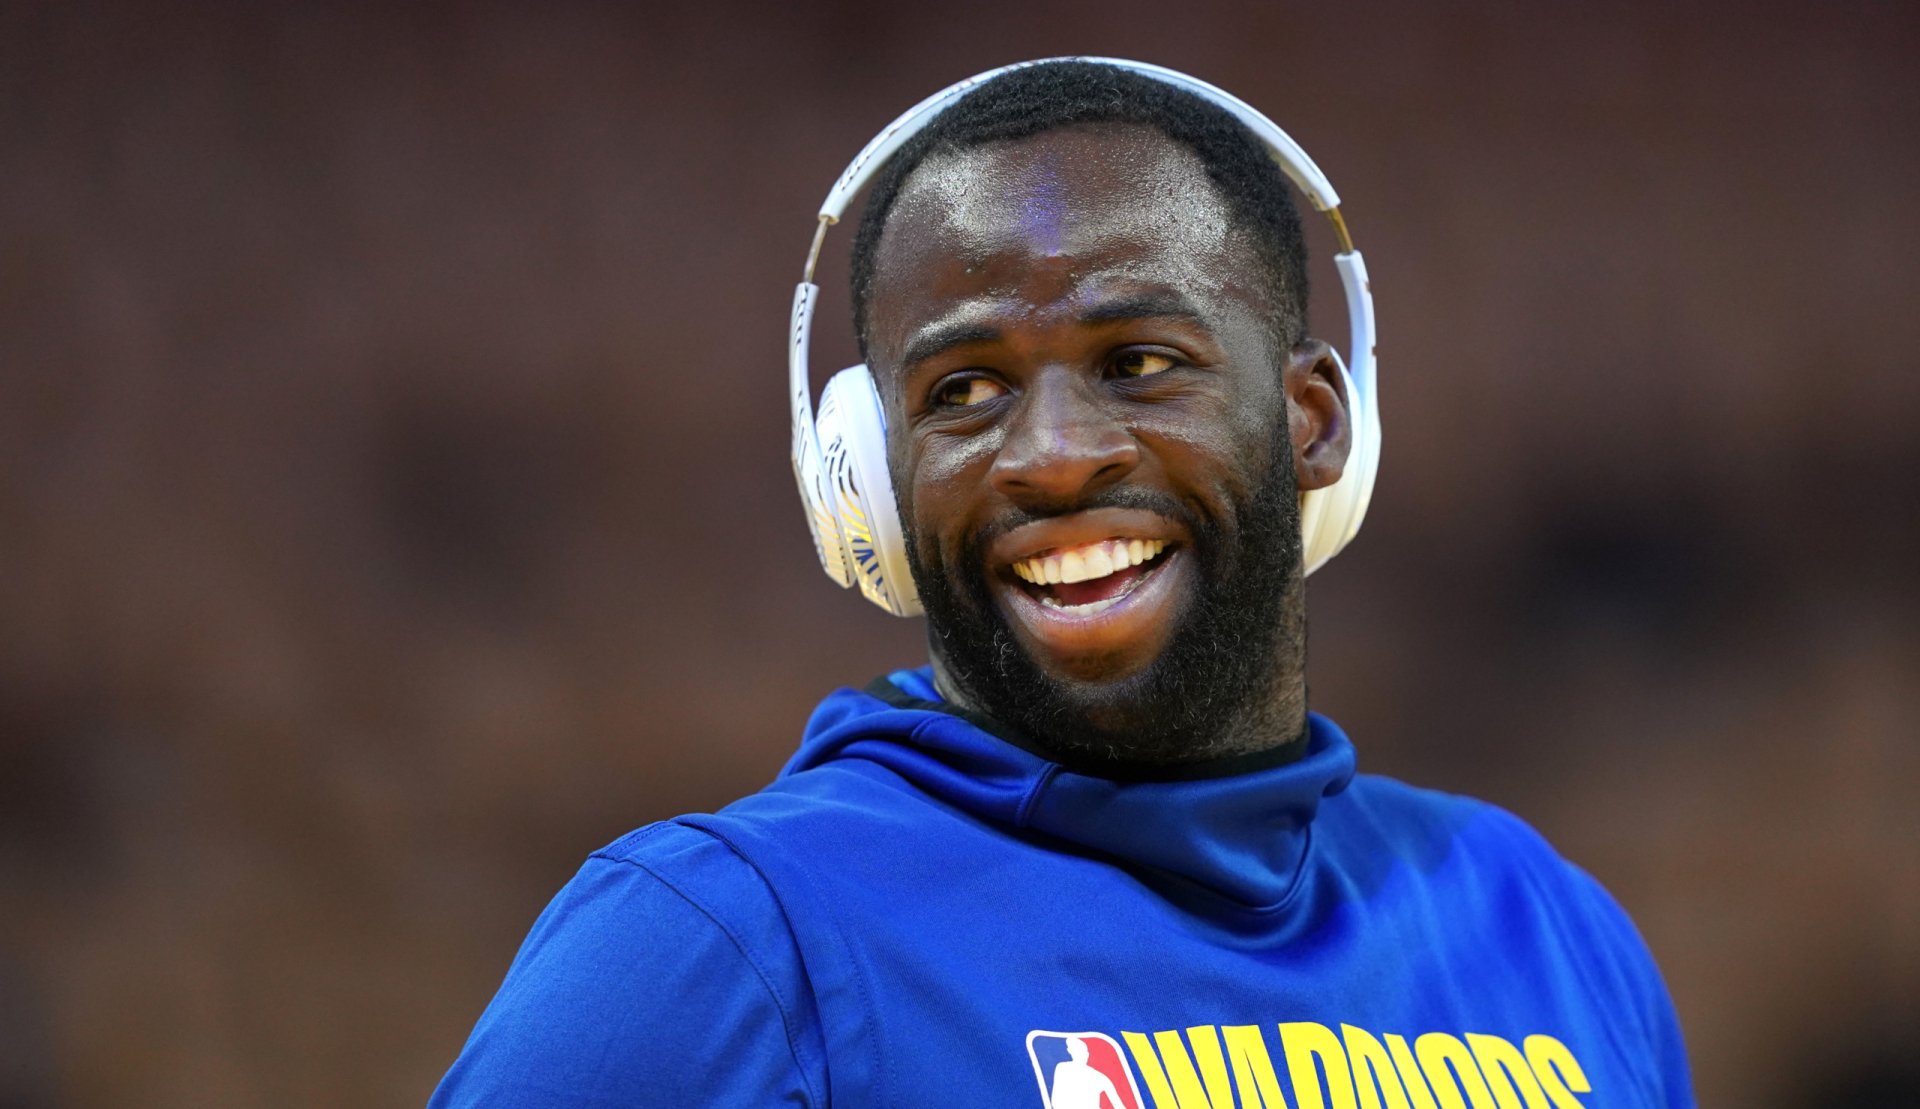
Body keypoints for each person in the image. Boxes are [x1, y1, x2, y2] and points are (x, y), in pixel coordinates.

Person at [429, 59, 1693, 1108]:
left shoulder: (1545, 923)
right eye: (964, 391)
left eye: (1138, 360)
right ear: (865, 475)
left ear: (1312, 420)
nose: (1052, 456)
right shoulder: (723, 949)